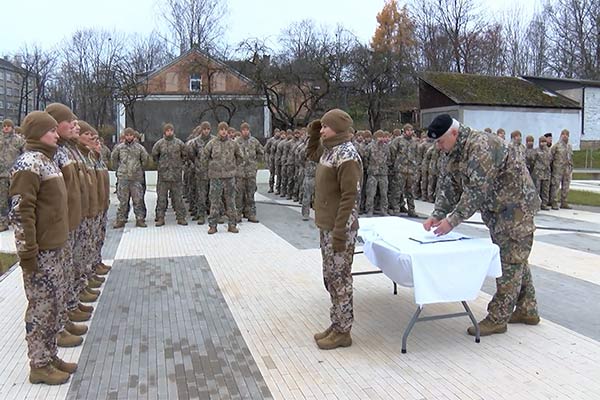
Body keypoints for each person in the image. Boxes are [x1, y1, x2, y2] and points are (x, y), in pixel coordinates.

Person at [423, 114, 540, 336]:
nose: (438, 147)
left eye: (440, 141)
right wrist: (437, 214)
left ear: (454, 133)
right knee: (514, 257)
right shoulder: (453, 151)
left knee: (509, 262)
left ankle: (498, 318)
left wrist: (452, 221)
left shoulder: (481, 146)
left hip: (516, 208)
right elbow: (448, 185)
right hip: (497, 210)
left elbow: (476, 191)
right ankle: (527, 308)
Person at [9, 111, 76, 384]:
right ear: (37, 133)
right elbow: (21, 212)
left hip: (54, 248)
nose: (56, 134)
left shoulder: (47, 162)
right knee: (41, 309)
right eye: (51, 131)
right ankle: (39, 365)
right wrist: (27, 253)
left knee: (54, 305)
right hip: (41, 253)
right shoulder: (28, 164)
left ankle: (50, 356)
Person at [307, 109, 362, 350]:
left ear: (337, 128)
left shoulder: (348, 155)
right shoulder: (330, 150)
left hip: (340, 229)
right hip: (327, 226)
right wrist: (312, 134)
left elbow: (350, 197)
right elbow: (311, 154)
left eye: (325, 127)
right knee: (330, 277)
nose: (322, 130)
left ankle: (343, 331)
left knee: (340, 280)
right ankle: (336, 322)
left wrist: (340, 232)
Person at [204, 122, 242, 234]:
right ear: (218, 131)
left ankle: (232, 224)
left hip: (229, 177)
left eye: (225, 129)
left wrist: (233, 168)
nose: (224, 131)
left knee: (230, 202)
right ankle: (213, 225)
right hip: (216, 177)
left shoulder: (233, 144)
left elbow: (240, 157)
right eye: (221, 129)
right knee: (215, 202)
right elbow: (204, 157)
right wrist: (211, 168)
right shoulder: (212, 143)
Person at [111, 128, 149, 228]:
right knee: (123, 201)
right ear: (124, 136)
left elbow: (145, 160)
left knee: (138, 200)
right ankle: (121, 219)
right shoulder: (119, 148)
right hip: (123, 178)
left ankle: (140, 219)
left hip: (136, 178)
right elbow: (113, 159)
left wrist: (138, 170)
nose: (129, 137)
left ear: (133, 136)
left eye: (130, 135)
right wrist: (119, 170)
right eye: (127, 135)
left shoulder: (139, 148)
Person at [152, 123, 188, 226]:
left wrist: (179, 164)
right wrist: (161, 165)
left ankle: (181, 218)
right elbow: (155, 155)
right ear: (164, 132)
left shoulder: (179, 143)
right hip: (163, 177)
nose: (169, 132)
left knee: (178, 198)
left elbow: (185, 155)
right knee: (161, 199)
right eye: (167, 131)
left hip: (176, 176)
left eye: (171, 130)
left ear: (173, 131)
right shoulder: (159, 144)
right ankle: (160, 218)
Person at [234, 122, 264, 222]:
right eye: (243, 130)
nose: (245, 132)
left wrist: (255, 163)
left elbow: (261, 152)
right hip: (240, 173)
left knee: (250, 194)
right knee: (239, 195)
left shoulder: (254, 141)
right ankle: (238, 214)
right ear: (241, 131)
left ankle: (251, 214)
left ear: (249, 130)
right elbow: (232, 155)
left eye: (247, 130)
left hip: (251, 173)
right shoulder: (236, 142)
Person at [0, 118, 25, 231]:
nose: (6, 128)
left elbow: (25, 153)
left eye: (8, 126)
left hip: (15, 174)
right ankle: (3, 222)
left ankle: (18, 221)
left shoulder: (18, 140)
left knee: (17, 198)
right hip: (2, 174)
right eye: (4, 126)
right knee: (2, 200)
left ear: (12, 128)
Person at [550, 129, 574, 209]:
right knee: (556, 186)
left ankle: (564, 202)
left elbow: (570, 157)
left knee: (566, 186)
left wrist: (571, 168)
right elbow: (551, 157)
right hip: (558, 169)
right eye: (563, 134)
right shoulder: (556, 146)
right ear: (561, 135)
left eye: (567, 134)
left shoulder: (569, 146)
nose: (565, 136)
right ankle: (554, 202)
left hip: (567, 169)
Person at [532, 135, 551, 210]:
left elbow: (550, 159)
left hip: (546, 172)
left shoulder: (549, 150)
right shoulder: (536, 150)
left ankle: (544, 204)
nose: (543, 143)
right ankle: (537, 204)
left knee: (545, 189)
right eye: (541, 142)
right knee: (537, 189)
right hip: (538, 172)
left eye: (544, 142)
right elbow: (532, 160)